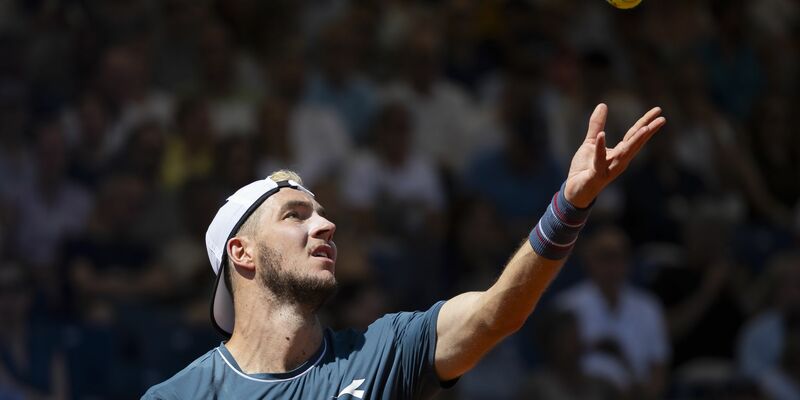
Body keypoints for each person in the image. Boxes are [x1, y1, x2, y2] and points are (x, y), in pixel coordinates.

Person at [142, 104, 665, 399]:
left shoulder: (385, 348)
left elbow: (496, 313)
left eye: (322, 212)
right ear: (243, 254)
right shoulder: (177, 397)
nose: (325, 224)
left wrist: (569, 206)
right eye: (296, 216)